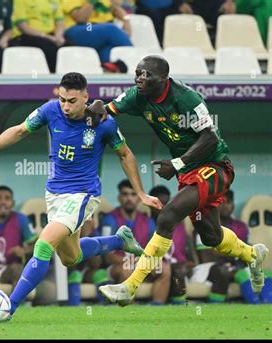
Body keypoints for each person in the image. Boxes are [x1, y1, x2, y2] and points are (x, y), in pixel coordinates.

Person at [0, 72, 162, 318]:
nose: (66, 107)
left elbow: (126, 155)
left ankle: (8, 307)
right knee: (71, 257)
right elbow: (19, 131)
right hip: (54, 194)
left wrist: (141, 192)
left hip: (82, 195)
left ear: (85, 98)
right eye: (62, 100)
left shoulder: (104, 123)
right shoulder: (50, 110)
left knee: (43, 245)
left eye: (72, 101)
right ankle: (120, 241)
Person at [89, 55, 269, 306]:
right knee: (211, 236)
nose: (140, 78)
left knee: (167, 216)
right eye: (138, 73)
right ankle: (252, 254)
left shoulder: (187, 99)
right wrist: (97, 105)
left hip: (215, 167)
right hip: (188, 173)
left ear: (164, 79)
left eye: (147, 74)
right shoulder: (137, 96)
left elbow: (210, 138)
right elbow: (105, 110)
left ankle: (129, 287)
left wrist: (177, 163)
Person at [102, 180, 172, 305]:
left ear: (139, 199)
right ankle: (130, 311)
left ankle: (156, 309)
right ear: (119, 197)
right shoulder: (110, 219)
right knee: (126, 270)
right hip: (116, 267)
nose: (129, 198)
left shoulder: (148, 221)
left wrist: (150, 263)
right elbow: (107, 255)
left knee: (165, 269)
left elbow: (154, 248)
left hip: (141, 264)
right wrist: (131, 262)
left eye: (133, 195)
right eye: (125, 194)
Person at [149, 185, 193, 304]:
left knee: (177, 269)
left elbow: (186, 255)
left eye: (167, 203)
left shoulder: (179, 225)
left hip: (177, 267)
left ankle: (179, 307)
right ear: (151, 204)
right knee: (174, 269)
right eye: (160, 203)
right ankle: (179, 307)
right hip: (154, 268)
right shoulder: (145, 224)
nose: (164, 207)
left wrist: (188, 264)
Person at [61, 0, 132, 72]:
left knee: (107, 49)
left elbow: (115, 8)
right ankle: (137, 65)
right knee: (111, 30)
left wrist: (126, 20)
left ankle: (108, 72)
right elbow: (80, 18)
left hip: (101, 30)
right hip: (85, 26)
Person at [11, 0, 66, 73]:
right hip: (27, 35)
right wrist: (47, 37)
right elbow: (23, 27)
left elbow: (60, 22)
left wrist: (58, 37)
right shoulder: (20, 1)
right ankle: (53, 78)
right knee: (49, 47)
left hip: (51, 36)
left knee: (68, 46)